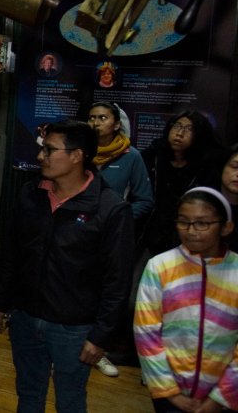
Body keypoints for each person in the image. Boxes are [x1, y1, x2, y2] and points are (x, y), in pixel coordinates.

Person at [0, 119, 134, 413]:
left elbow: (117, 281)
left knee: (70, 399)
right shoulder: (31, 194)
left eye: (50, 150)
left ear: (77, 156)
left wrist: (100, 336)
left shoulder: (110, 209)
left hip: (75, 328)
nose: (40, 156)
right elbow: (12, 254)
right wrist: (0, 303)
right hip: (27, 319)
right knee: (28, 394)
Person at [134, 187, 238, 412]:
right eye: (183, 222)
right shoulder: (160, 267)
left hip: (225, 395)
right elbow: (146, 332)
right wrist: (169, 391)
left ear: (226, 227)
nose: (191, 231)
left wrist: (222, 396)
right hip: (171, 392)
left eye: (202, 223)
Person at [84, 101, 155, 376]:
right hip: (80, 234)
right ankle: (69, 348)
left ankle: (99, 349)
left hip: (112, 238)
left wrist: (118, 221)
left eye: (102, 117)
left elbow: (144, 201)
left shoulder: (131, 156)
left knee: (108, 294)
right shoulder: (81, 151)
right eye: (91, 117)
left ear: (116, 124)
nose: (95, 122)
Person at [142, 111, 226, 256]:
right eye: (177, 126)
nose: (179, 133)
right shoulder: (151, 157)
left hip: (190, 233)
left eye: (189, 129)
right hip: (151, 233)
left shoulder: (209, 166)